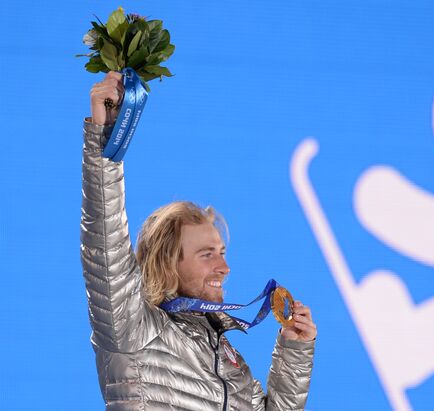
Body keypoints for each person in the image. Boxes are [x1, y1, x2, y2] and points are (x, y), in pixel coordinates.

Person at [80, 71, 317, 411]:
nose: (224, 266)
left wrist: (294, 351)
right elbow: (105, 246)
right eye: (207, 254)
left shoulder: (223, 351)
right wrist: (104, 136)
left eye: (221, 252)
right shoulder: (133, 329)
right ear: (167, 263)